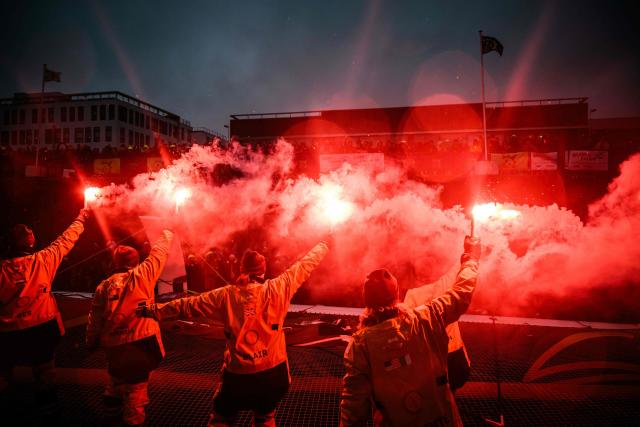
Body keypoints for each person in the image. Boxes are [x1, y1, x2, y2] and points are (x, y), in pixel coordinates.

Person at [139, 239, 330, 427]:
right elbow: (306, 264)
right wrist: (324, 244)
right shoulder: (279, 288)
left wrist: (151, 310)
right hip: (274, 375)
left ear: (241, 269)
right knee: (265, 416)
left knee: (221, 419)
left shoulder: (226, 295)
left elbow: (186, 305)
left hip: (239, 377)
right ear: (263, 270)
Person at [340, 236, 481, 427]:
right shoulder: (427, 318)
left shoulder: (360, 345)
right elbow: (461, 293)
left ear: (367, 301)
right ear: (397, 295)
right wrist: (471, 259)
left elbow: (353, 408)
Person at [0, 209, 90, 410]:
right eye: (28, 231)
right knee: (45, 372)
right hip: (41, 329)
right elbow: (66, 239)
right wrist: (82, 218)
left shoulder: (2, 269)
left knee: (3, 373)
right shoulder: (43, 259)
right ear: (30, 240)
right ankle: (48, 412)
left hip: (8, 332)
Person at [85, 229, 174, 426]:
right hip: (141, 344)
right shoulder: (143, 275)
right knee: (136, 392)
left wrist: (90, 341)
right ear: (136, 262)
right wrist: (169, 230)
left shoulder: (103, 286)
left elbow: (95, 319)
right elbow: (160, 252)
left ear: (116, 263)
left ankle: (110, 416)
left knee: (115, 382)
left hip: (115, 348)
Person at [404, 265, 470, 392]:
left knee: (438, 396)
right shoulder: (442, 287)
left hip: (435, 358)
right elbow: (458, 272)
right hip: (452, 356)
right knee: (448, 395)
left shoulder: (411, 296)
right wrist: (470, 255)